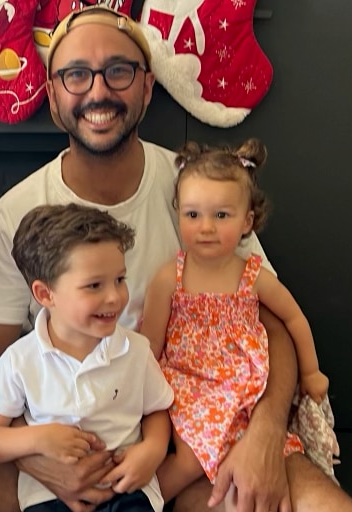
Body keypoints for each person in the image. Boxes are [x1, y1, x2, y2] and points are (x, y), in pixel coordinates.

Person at [0, 5, 352, 512]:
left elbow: (273, 322)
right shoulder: (14, 213)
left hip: (196, 436)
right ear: (52, 96)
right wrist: (37, 459)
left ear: (146, 87)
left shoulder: (198, 189)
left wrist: (265, 433)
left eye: (118, 70)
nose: (98, 91)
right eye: (75, 74)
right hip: (62, 444)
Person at [139, 139, 329, 501]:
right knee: (191, 459)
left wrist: (310, 372)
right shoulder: (169, 277)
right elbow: (150, 344)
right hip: (188, 381)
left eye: (221, 215)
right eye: (192, 215)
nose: (205, 227)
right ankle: (141, 501)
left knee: (250, 443)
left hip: (242, 381)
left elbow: (293, 318)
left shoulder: (253, 275)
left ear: (247, 222)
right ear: (178, 214)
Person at [0, 203, 174, 512]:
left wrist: (154, 449)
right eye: (94, 285)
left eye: (120, 279)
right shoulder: (20, 360)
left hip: (129, 491)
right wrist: (37, 439)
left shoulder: (136, 350)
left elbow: (157, 409)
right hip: (49, 497)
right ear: (45, 294)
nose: (115, 297)